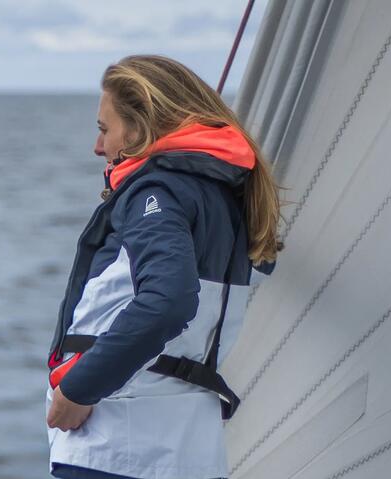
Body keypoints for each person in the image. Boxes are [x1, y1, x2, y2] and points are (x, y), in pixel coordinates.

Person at [45, 54, 283, 479]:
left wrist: (80, 389)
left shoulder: (158, 190)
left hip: (117, 446)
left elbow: (169, 300)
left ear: (139, 128)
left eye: (105, 130)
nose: (98, 147)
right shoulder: (226, 197)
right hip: (191, 451)